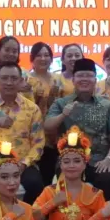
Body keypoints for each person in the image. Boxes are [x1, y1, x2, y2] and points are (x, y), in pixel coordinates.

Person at [45, 58, 110, 200]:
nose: (84, 79)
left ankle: (104, 214)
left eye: (89, 76)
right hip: (69, 160)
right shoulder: (61, 103)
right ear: (73, 80)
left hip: (99, 161)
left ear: (95, 80)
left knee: (106, 179)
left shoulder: (107, 105)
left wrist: (109, 159)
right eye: (80, 75)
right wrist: (63, 115)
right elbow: (47, 126)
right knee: (67, 181)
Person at [0, 62, 45, 205]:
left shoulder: (32, 109)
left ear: (20, 81)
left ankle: (27, 218)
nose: (9, 82)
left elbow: (38, 144)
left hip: (22, 164)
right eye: (4, 78)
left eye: (13, 78)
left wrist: (23, 164)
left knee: (35, 184)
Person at [28, 42, 63, 186]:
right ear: (32, 58)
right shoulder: (27, 79)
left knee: (51, 172)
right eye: (39, 55)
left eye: (46, 55)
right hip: (33, 131)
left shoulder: (57, 79)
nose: (43, 58)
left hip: (54, 132)